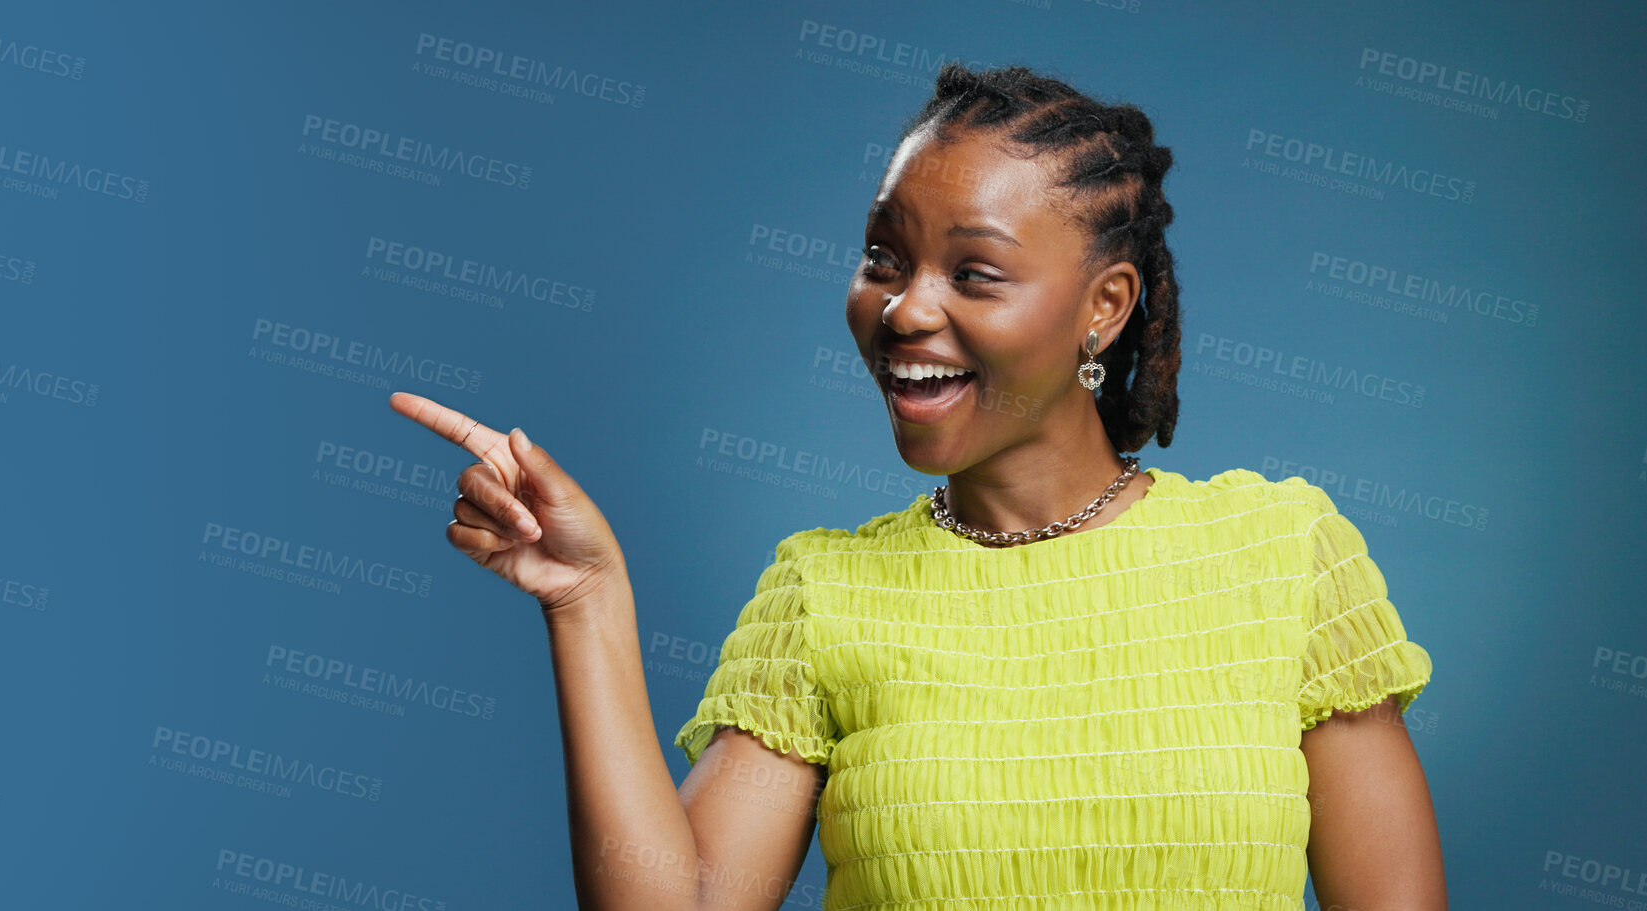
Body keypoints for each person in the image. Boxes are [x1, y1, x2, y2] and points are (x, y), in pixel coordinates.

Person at [390, 62, 1442, 911]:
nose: (902, 310)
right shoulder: (824, 592)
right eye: (883, 258)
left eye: (973, 273)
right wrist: (589, 603)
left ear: (1104, 305)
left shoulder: (1281, 550)